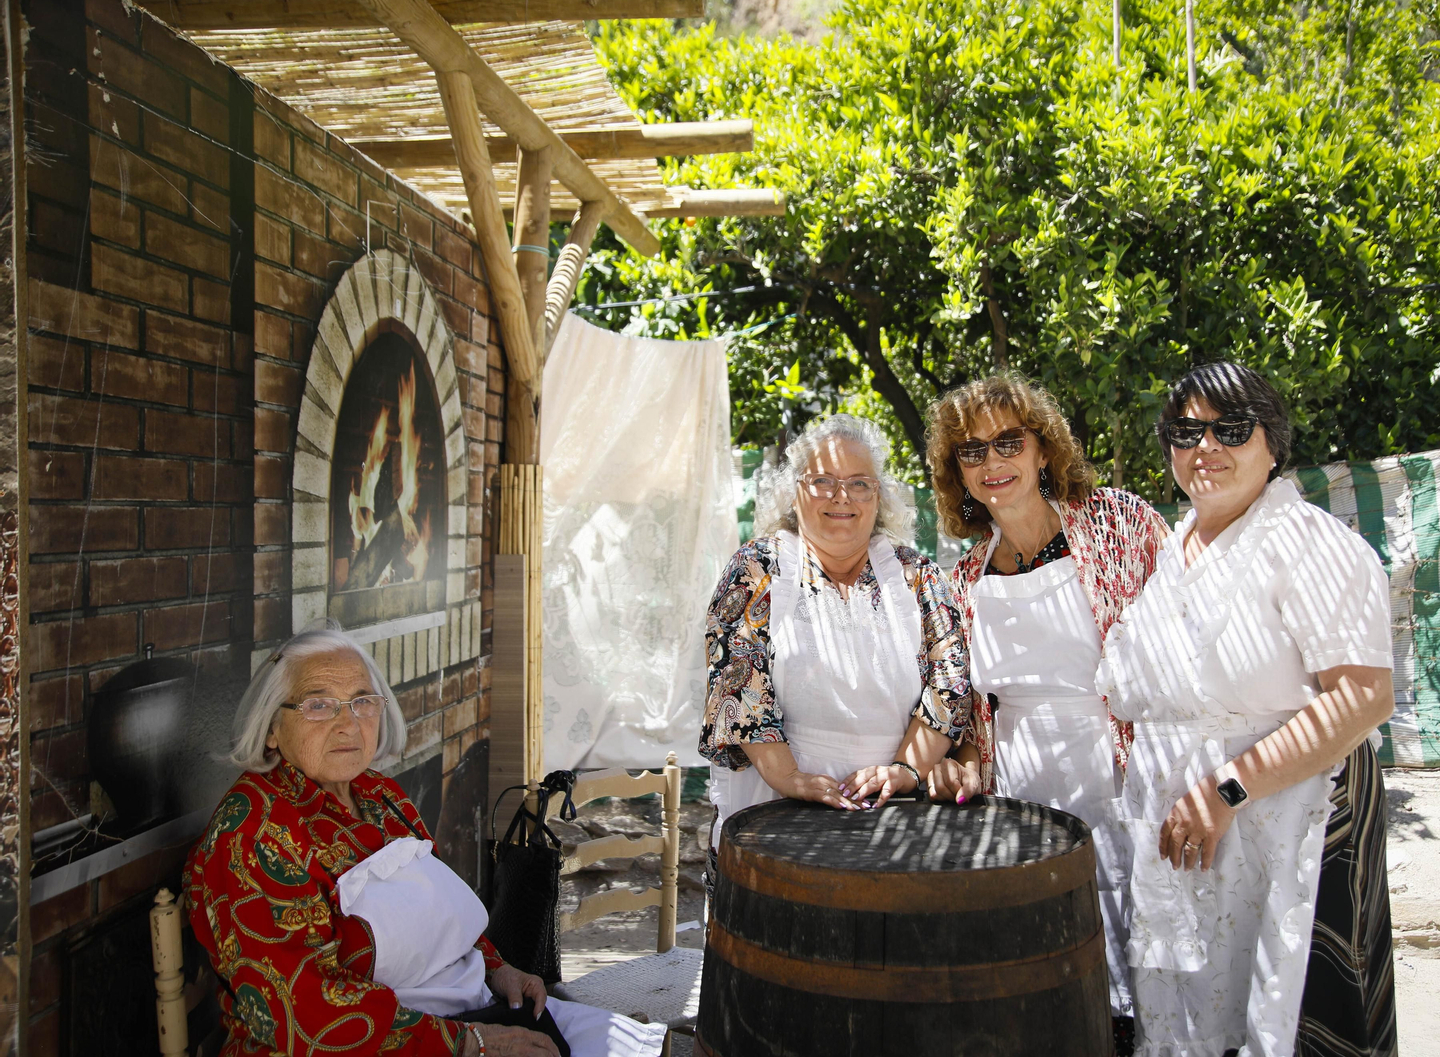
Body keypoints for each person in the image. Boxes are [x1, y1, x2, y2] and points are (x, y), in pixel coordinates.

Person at [184, 624, 667, 1057]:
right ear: (272, 728)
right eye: (318, 704)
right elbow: (302, 1013)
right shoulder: (253, 832)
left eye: (362, 701)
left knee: (645, 1049)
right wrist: (469, 1044)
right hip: (380, 1045)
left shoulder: (379, 794)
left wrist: (497, 969)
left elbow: (438, 916)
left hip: (471, 1013)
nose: (348, 723)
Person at [1097, 361, 1397, 1056]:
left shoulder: (1307, 541)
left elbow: (1361, 696)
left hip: (1286, 819)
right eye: (1185, 431)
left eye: (1230, 429)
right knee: (1189, 1013)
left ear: (1273, 442)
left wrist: (1228, 788)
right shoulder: (1174, 550)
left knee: (1285, 1010)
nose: (1206, 448)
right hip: (1186, 838)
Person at [921, 374, 1168, 1040]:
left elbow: (1188, 644)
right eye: (972, 452)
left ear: (1042, 449)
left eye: (1008, 442)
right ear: (957, 474)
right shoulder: (965, 580)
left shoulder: (1118, 524)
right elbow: (977, 714)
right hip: (1023, 800)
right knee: (1048, 991)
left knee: (1138, 984)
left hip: (1123, 780)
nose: (993, 463)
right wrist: (965, 765)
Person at [699, 414, 974, 865]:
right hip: (775, 809)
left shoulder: (917, 576)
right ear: (795, 491)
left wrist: (904, 771)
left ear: (878, 496)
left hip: (895, 815)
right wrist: (790, 778)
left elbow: (951, 684)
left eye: (859, 483)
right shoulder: (757, 569)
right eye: (822, 480)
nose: (840, 496)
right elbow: (738, 680)